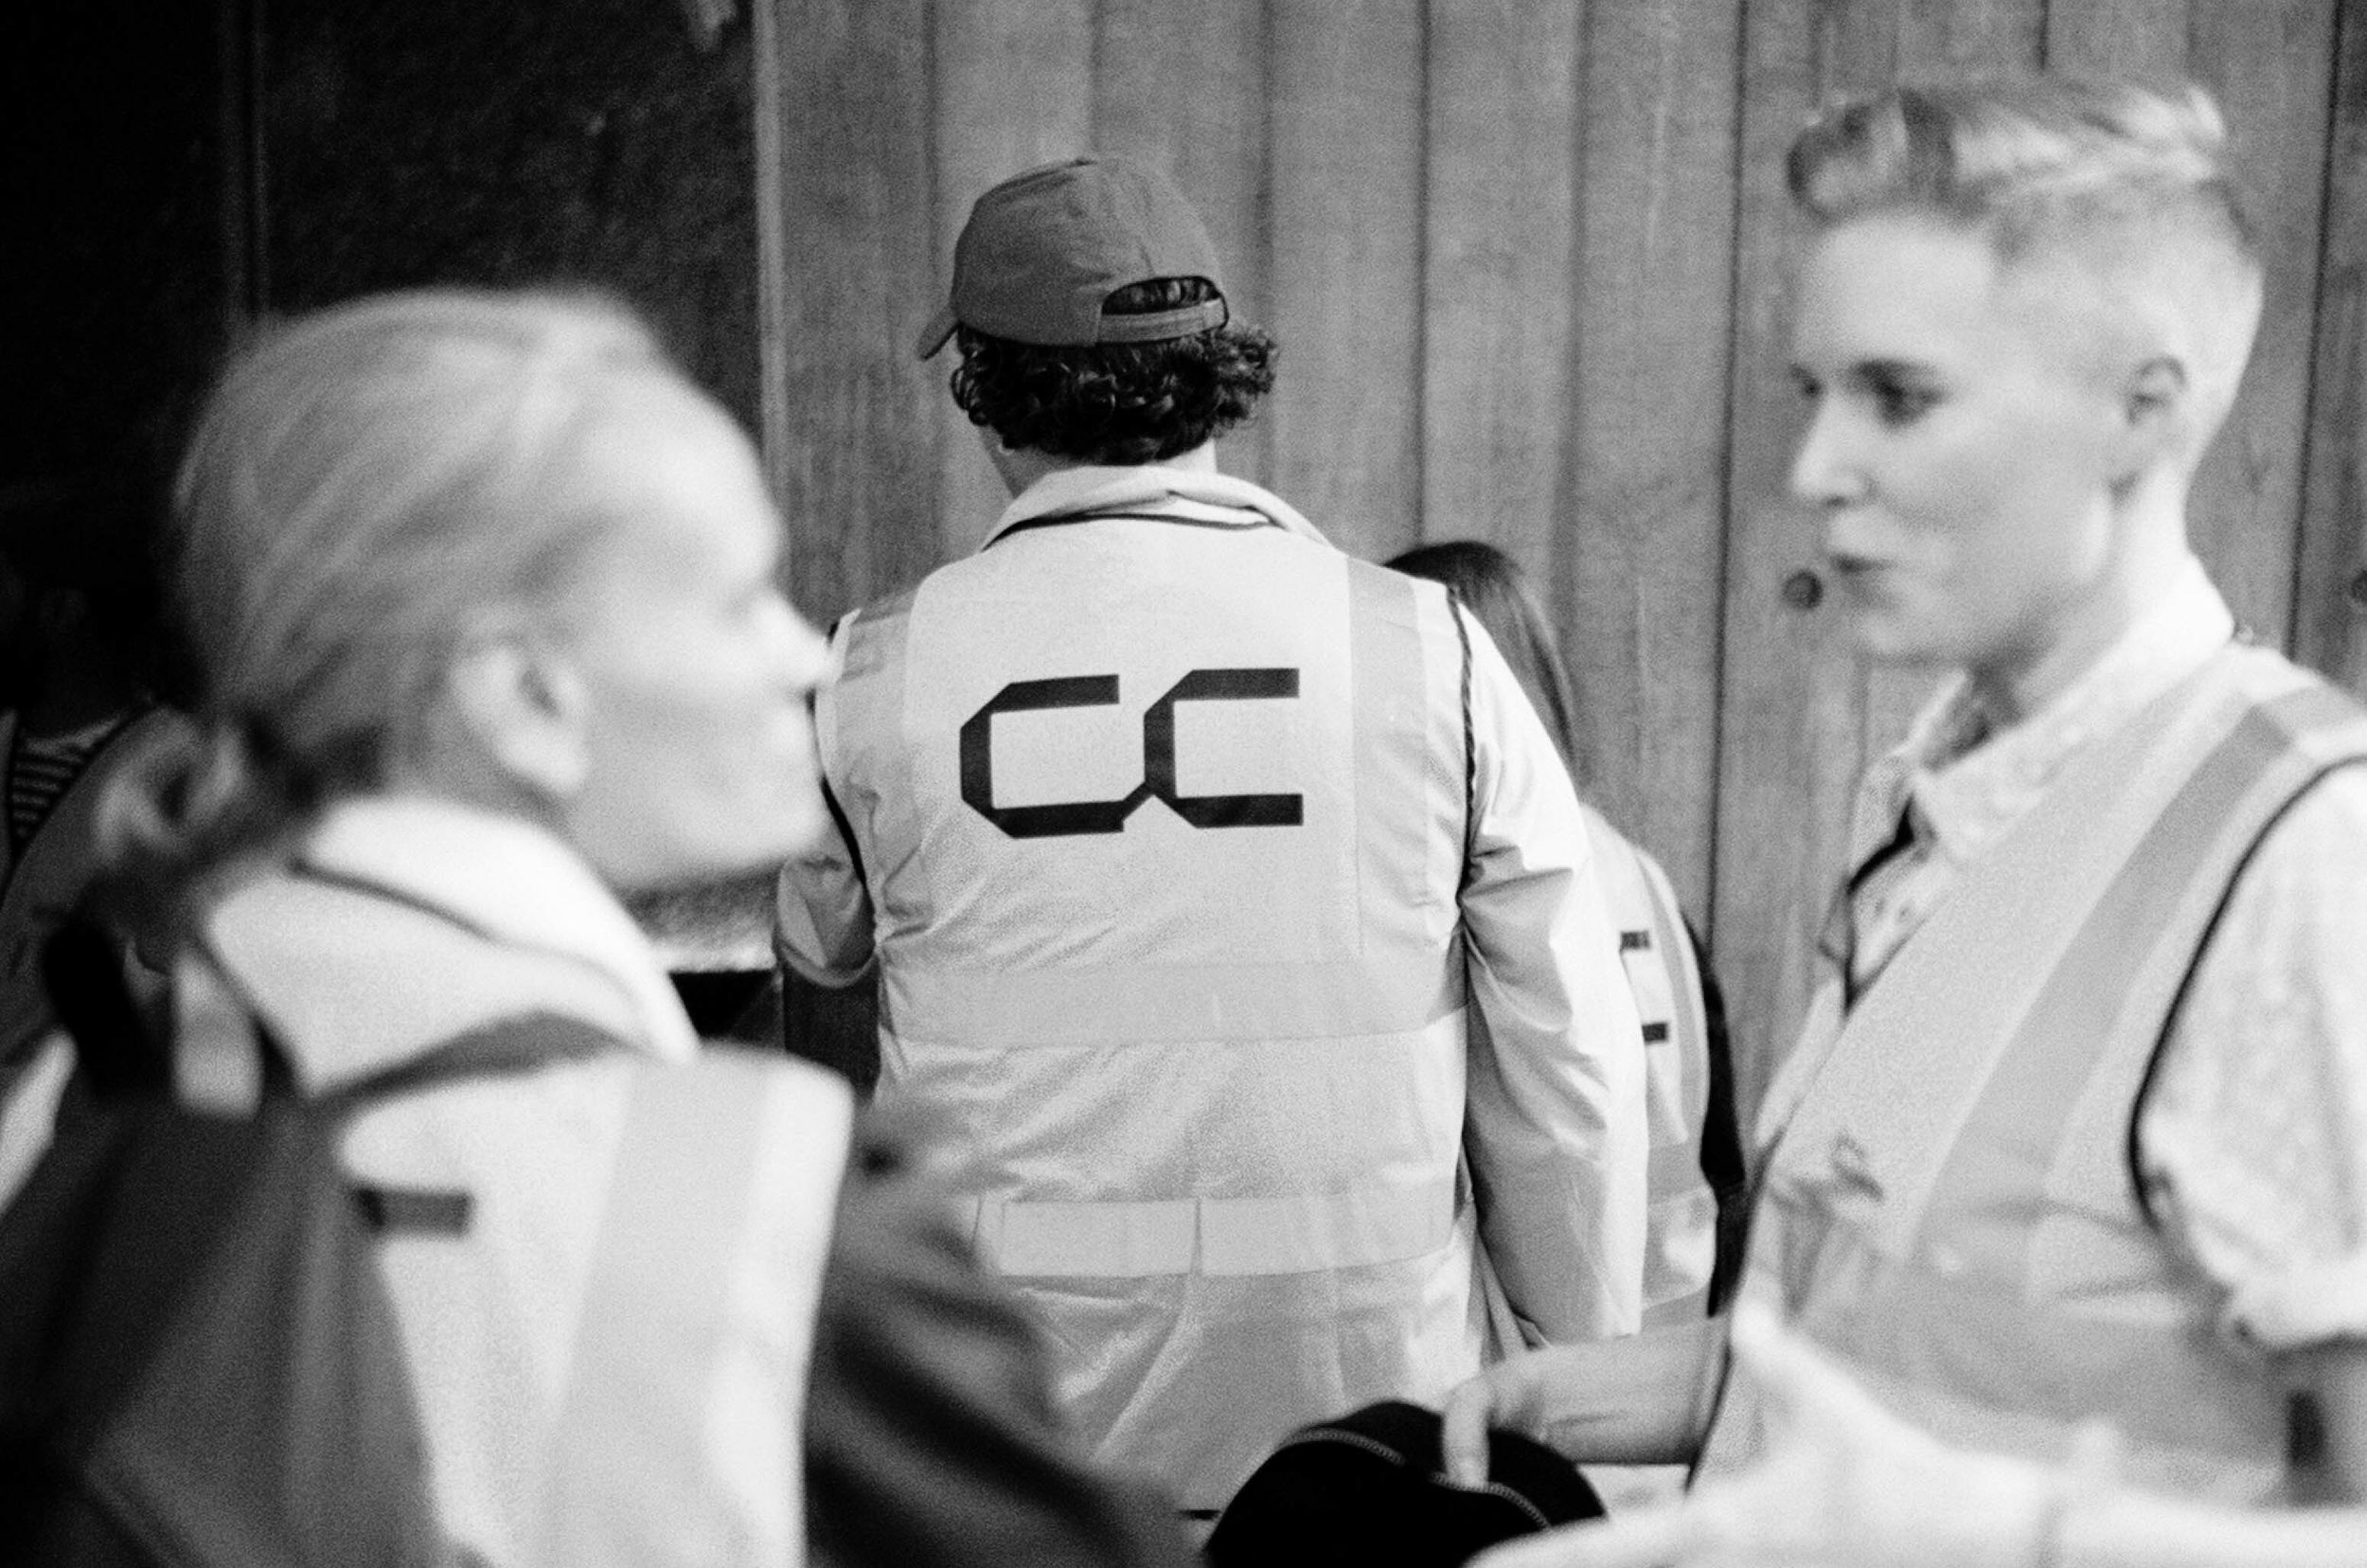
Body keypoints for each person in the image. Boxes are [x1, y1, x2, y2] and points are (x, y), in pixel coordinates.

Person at [49, 288, 1190, 1567]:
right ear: (526, 696)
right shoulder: (775, 1223)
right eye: (738, 596)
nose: (803, 657)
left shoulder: (73, 1103)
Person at [1439, 72, 2367, 1557]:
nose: (1816, 473)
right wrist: (1649, 1396)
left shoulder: (2306, 861)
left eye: (1902, 399)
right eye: (1818, 394)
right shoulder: (1952, 814)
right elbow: (1957, 1355)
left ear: (2146, 409)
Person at [775, 154, 1651, 1517]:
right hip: (1367, 1418)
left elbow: (812, 942)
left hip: (1012, 1417)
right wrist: (1577, 1370)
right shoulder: (1429, 651)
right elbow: (1569, 1060)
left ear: (988, 399)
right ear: (1218, 373)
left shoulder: (875, 670)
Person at [1387, 540, 1745, 1326]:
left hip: (1560, 1351)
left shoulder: (1473, 887)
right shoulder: (1637, 871)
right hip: (1677, 1331)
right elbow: (1719, 1145)